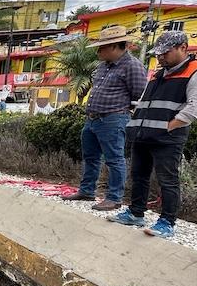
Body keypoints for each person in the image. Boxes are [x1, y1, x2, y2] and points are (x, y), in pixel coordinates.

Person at [108, 31, 197, 239]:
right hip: (143, 134)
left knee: (167, 179)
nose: (161, 57)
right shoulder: (159, 75)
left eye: (165, 53)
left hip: (167, 137)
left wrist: (169, 126)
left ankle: (167, 221)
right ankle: (136, 212)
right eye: (158, 54)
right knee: (139, 175)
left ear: (183, 48)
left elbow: (196, 107)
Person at [61, 25, 147, 212]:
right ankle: (86, 190)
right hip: (92, 119)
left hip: (113, 119)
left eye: (102, 47)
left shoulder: (132, 66)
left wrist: (125, 114)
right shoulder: (102, 66)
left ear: (116, 46)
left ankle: (114, 197)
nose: (99, 51)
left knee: (114, 159)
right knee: (90, 156)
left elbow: (140, 95)